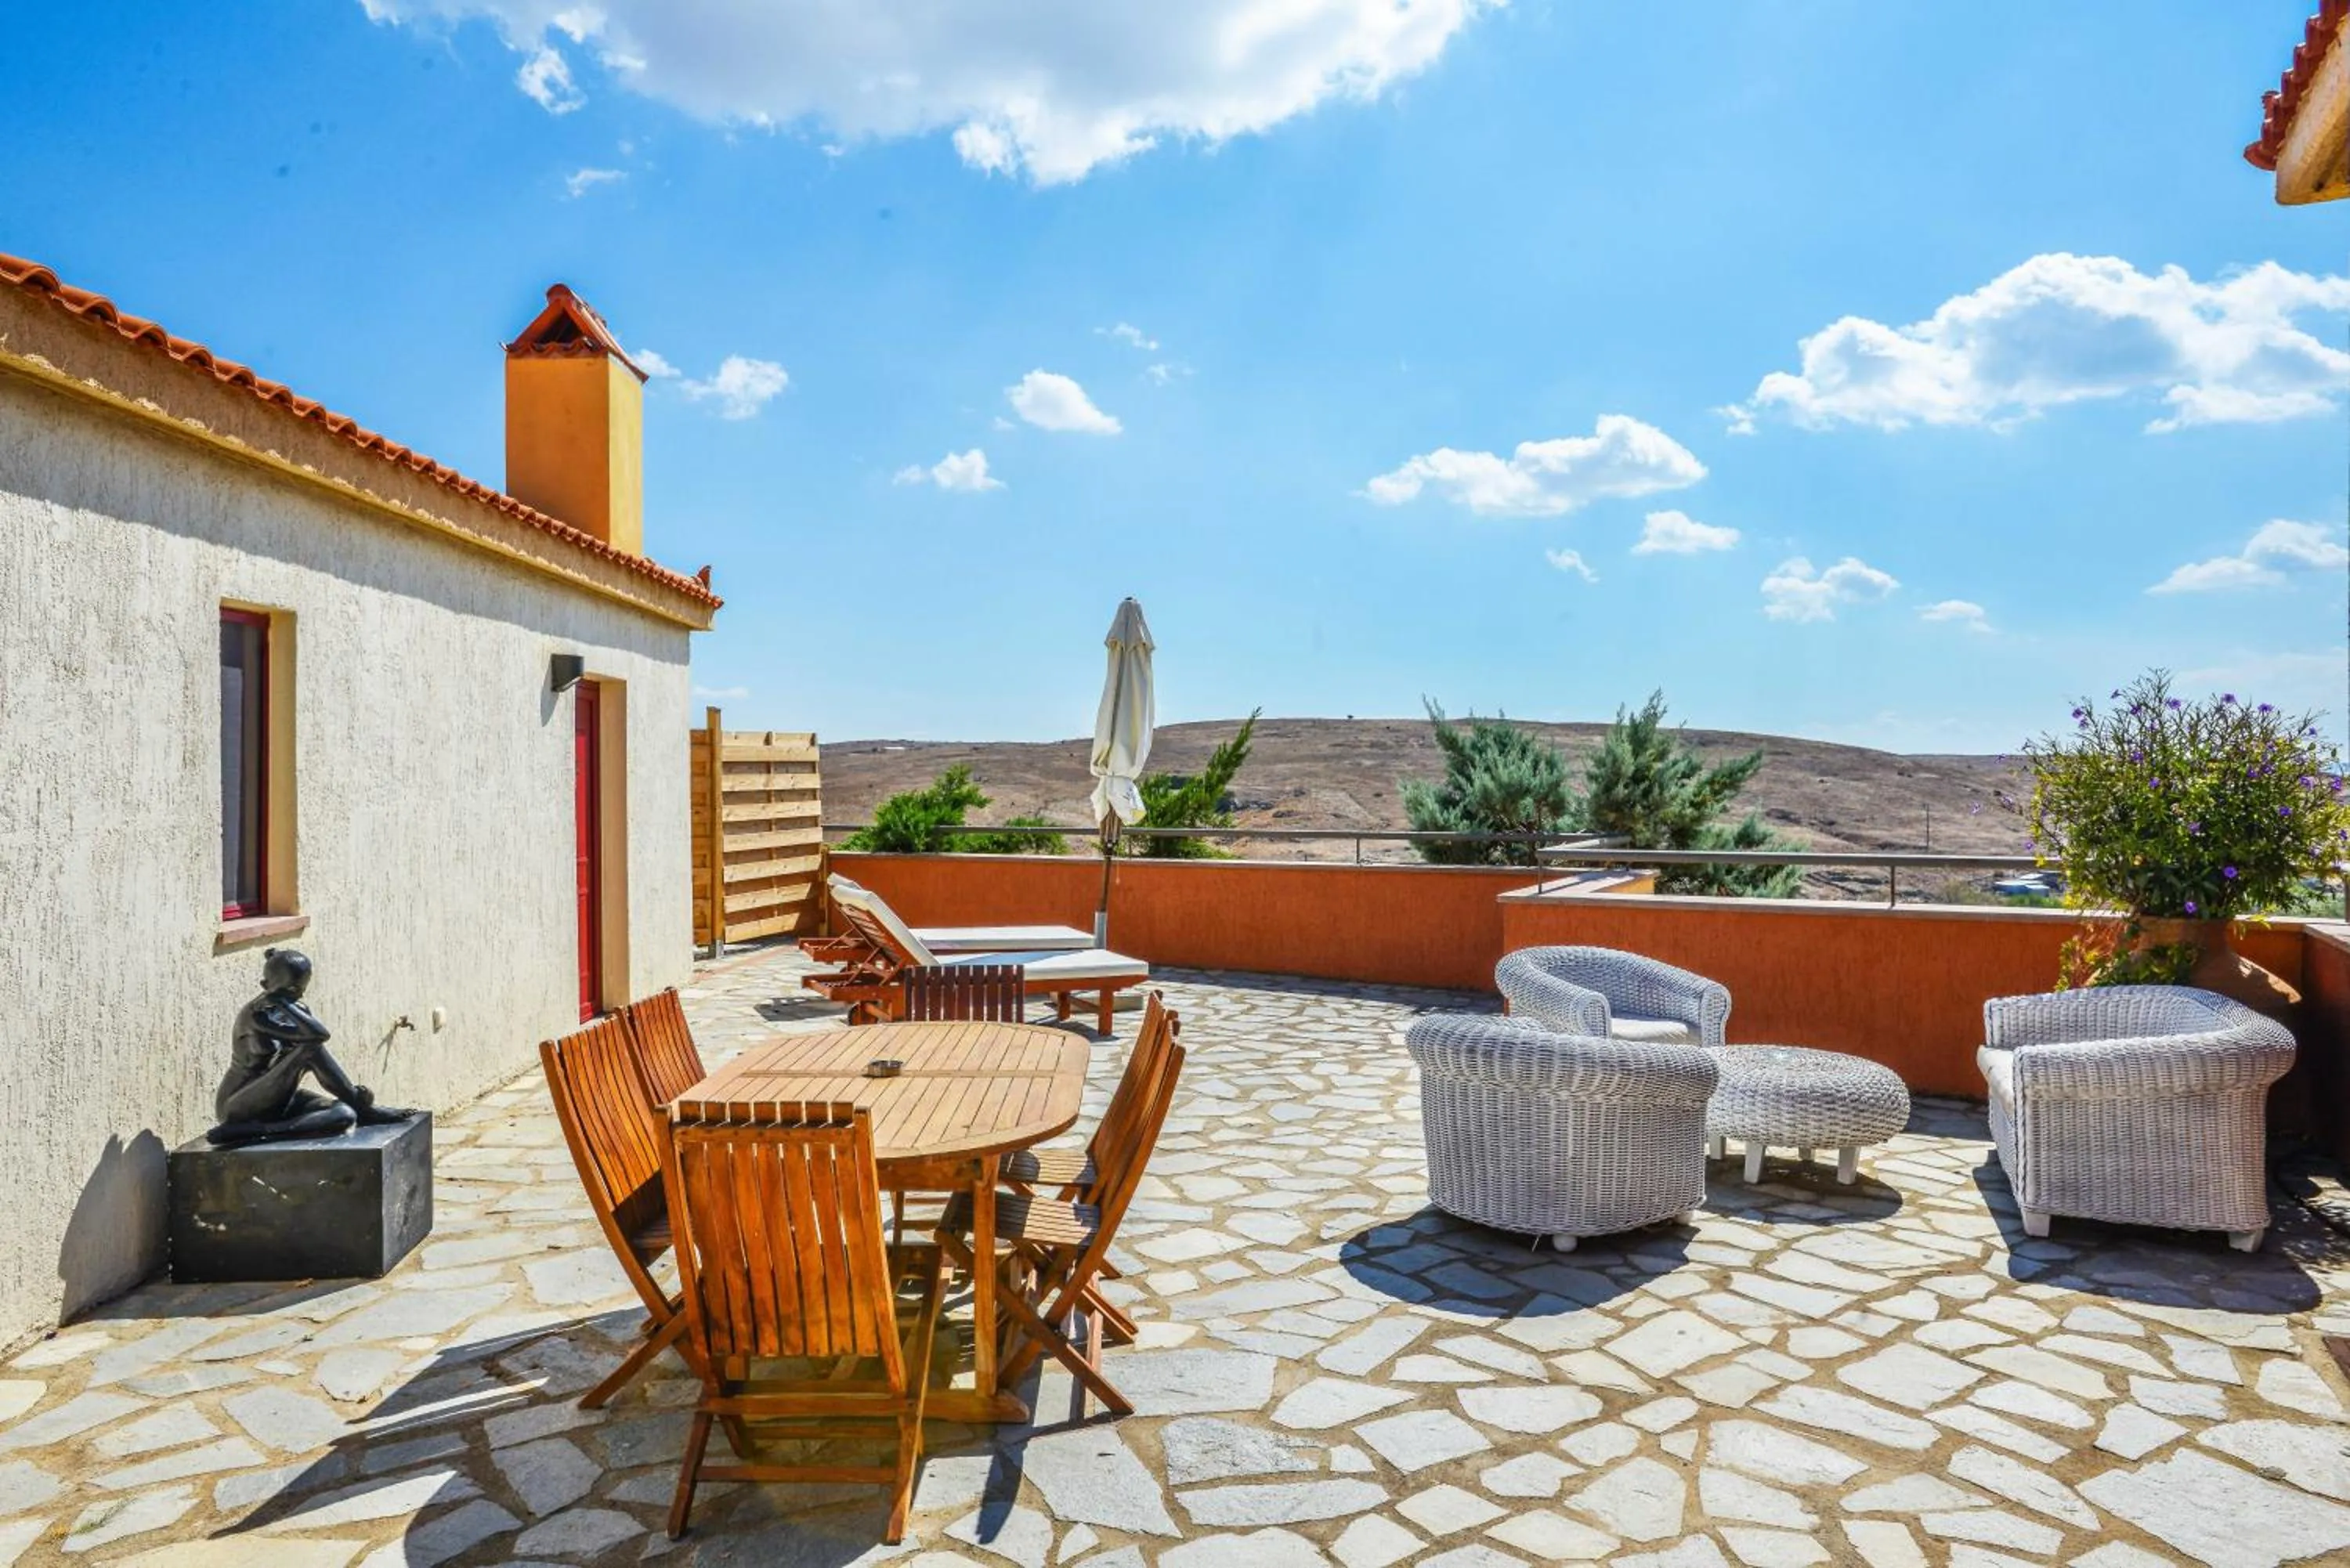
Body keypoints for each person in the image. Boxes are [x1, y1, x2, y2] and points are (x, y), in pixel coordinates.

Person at [205, 948, 417, 1147]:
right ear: (265, 985)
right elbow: (318, 1036)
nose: (298, 996)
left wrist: (285, 1001)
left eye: (302, 989)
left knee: (344, 1114)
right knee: (310, 1049)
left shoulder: (295, 1009)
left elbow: (312, 1035)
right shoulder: (255, 1016)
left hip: (279, 1099)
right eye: (291, 990)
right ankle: (360, 1105)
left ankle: (260, 1130)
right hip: (239, 1105)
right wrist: (282, 1001)